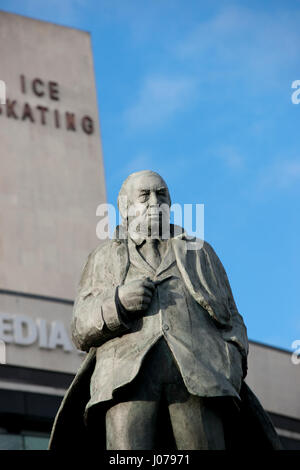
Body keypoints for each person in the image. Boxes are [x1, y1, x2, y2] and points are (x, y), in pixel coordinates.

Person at [49, 170, 282, 450]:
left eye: (161, 194)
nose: (154, 202)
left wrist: (230, 363)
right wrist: (118, 303)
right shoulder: (104, 256)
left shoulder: (200, 252)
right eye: (144, 195)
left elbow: (233, 321)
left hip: (201, 381)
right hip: (124, 382)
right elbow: (79, 327)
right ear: (124, 207)